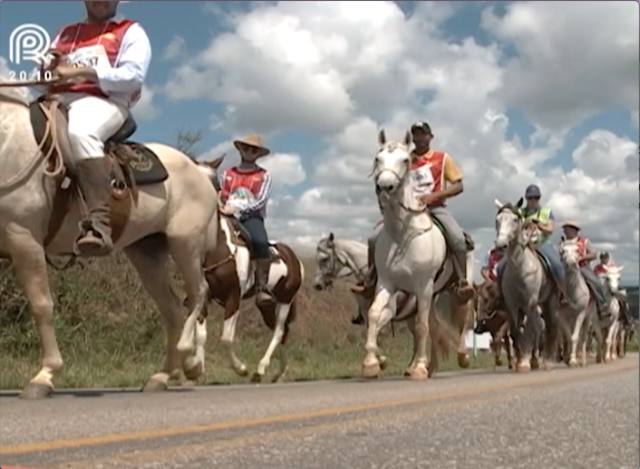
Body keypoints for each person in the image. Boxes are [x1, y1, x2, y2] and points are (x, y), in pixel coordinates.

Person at [43, 0, 152, 256]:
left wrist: (83, 72)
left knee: (82, 132)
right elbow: (44, 78)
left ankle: (98, 225)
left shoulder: (130, 31)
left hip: (105, 101)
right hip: (58, 100)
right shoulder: (65, 33)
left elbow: (133, 76)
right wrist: (47, 71)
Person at [362, 121, 474, 302]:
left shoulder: (442, 158)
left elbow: (459, 185)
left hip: (435, 208)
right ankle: (371, 278)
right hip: (406, 211)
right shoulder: (404, 159)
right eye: (416, 134)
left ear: (430, 137)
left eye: (423, 134)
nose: (419, 138)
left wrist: (434, 196)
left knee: (458, 238)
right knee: (374, 238)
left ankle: (462, 282)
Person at [219, 134, 274, 307]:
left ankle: (261, 286)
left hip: (251, 216)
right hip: (225, 213)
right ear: (240, 149)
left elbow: (261, 200)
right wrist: (221, 205)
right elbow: (222, 193)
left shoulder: (264, 175)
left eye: (254, 149)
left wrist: (239, 209)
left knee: (260, 241)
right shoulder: (227, 173)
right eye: (246, 148)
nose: (249, 152)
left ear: (258, 154)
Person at [519, 184, 565, 290]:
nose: (533, 200)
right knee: (502, 265)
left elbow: (550, 229)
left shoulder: (547, 212)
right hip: (523, 245)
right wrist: (526, 223)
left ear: (539, 198)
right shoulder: (520, 212)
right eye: (530, 198)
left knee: (557, 264)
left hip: (541, 244)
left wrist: (539, 225)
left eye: (536, 197)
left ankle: (563, 292)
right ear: (526, 199)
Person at [561, 221, 608, 318]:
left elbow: (594, 254)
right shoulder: (562, 243)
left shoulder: (584, 241)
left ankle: (602, 305)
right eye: (564, 229)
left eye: (566, 229)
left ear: (574, 230)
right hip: (566, 267)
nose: (564, 231)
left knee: (595, 281)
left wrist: (581, 258)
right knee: (556, 278)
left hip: (582, 267)